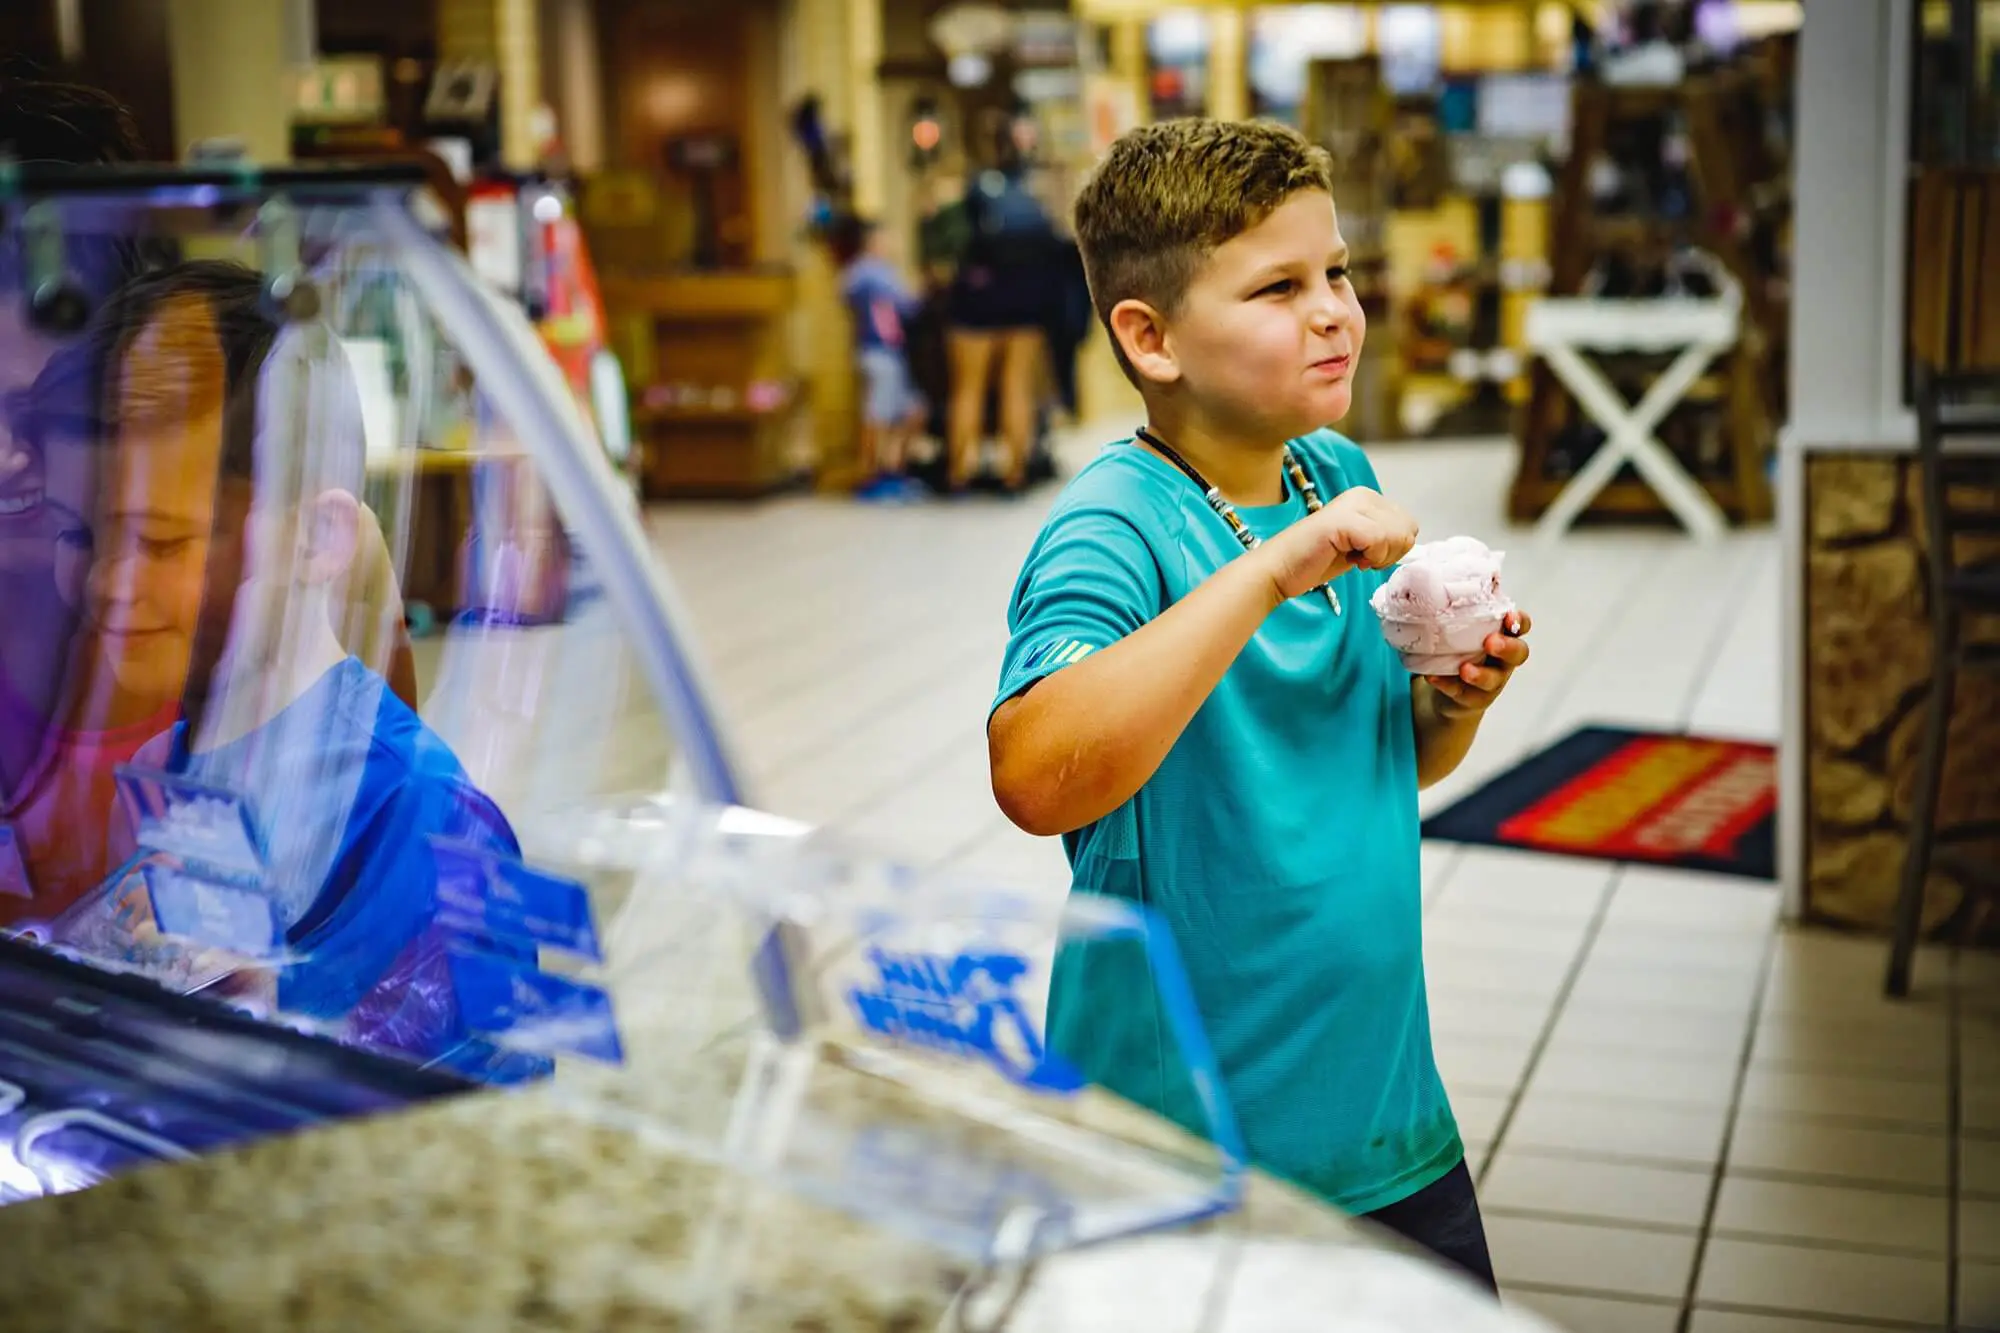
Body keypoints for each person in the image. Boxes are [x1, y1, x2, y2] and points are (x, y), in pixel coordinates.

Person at [985, 119, 1535, 1288]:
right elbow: (1035, 774)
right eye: (1278, 287)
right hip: (1181, 1151)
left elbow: (1373, 755)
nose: (1334, 309)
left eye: (1334, 272)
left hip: (1383, 1121)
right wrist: (1279, 565)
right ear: (1151, 336)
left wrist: (1452, 702)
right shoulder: (1112, 528)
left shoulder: (1327, 473)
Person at [67, 262, 521, 1066]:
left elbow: (473, 1121)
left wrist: (273, 1014)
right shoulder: (159, 768)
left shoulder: (424, 813)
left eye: (161, 541)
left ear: (317, 539)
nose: (108, 582)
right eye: (91, 538)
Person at [827, 213, 926, 501]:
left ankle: (893, 470)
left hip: (893, 353)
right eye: (886, 237)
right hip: (878, 353)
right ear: (871, 241)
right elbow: (907, 303)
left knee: (910, 411)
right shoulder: (865, 273)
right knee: (878, 416)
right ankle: (871, 476)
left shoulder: (878, 271)